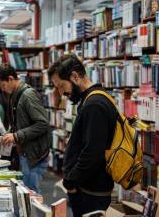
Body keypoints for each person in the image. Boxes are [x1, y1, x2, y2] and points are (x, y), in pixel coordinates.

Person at [48, 54, 117, 217]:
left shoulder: (95, 105)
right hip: (87, 188)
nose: (61, 92)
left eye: (61, 86)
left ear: (75, 76)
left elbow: (93, 152)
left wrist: (70, 181)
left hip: (91, 191)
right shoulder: (91, 100)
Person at [0, 65, 51, 193]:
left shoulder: (27, 95)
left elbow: (43, 124)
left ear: (10, 79)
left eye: (3, 85)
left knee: (31, 194)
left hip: (34, 155)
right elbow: (23, 122)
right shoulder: (16, 94)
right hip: (27, 152)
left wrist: (16, 136)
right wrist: (12, 133)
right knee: (26, 192)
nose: (3, 89)